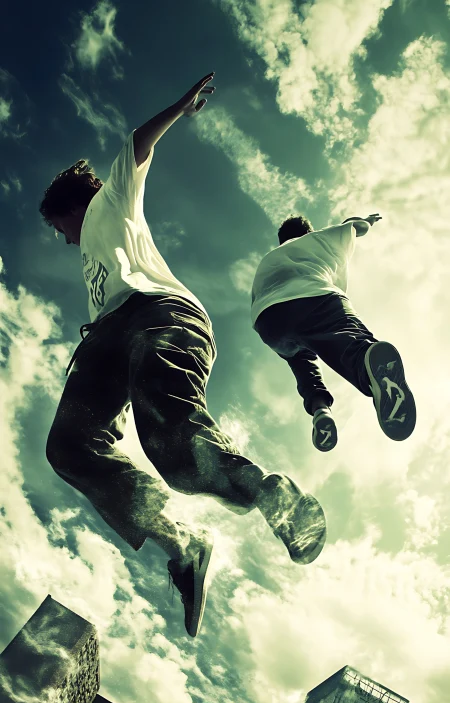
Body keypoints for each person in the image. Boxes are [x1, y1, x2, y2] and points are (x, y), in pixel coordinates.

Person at [39, 73, 326, 638]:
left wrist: (179, 106)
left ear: (71, 207)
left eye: (58, 228)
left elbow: (136, 145)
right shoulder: (92, 256)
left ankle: (270, 495)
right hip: (105, 340)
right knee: (68, 446)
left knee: (171, 444)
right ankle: (182, 542)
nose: (64, 239)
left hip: (161, 315)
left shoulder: (111, 201)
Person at [252, 214, 416, 452]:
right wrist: (366, 220)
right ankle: (373, 369)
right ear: (308, 232)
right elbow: (355, 227)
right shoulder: (318, 239)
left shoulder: (269, 258)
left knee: (303, 363)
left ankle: (320, 410)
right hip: (313, 297)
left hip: (267, 322)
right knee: (351, 340)